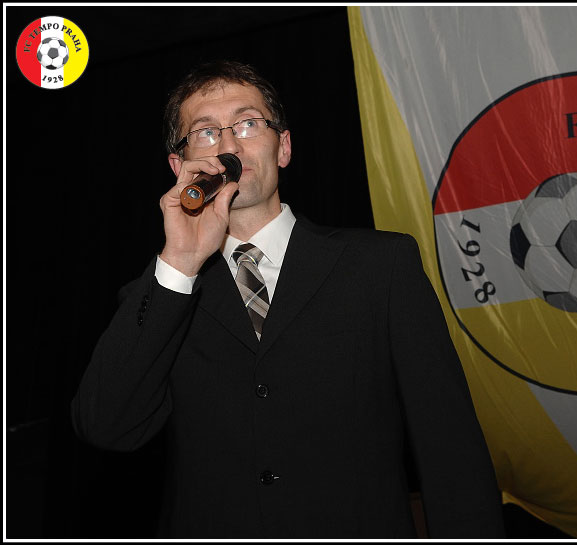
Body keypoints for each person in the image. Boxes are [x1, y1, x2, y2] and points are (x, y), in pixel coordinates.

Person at [72, 60, 505, 538]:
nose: (230, 146)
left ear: (283, 147)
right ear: (179, 167)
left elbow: (449, 441)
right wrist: (180, 261)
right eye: (207, 132)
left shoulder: (380, 266)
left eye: (247, 124)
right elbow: (106, 426)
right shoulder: (163, 291)